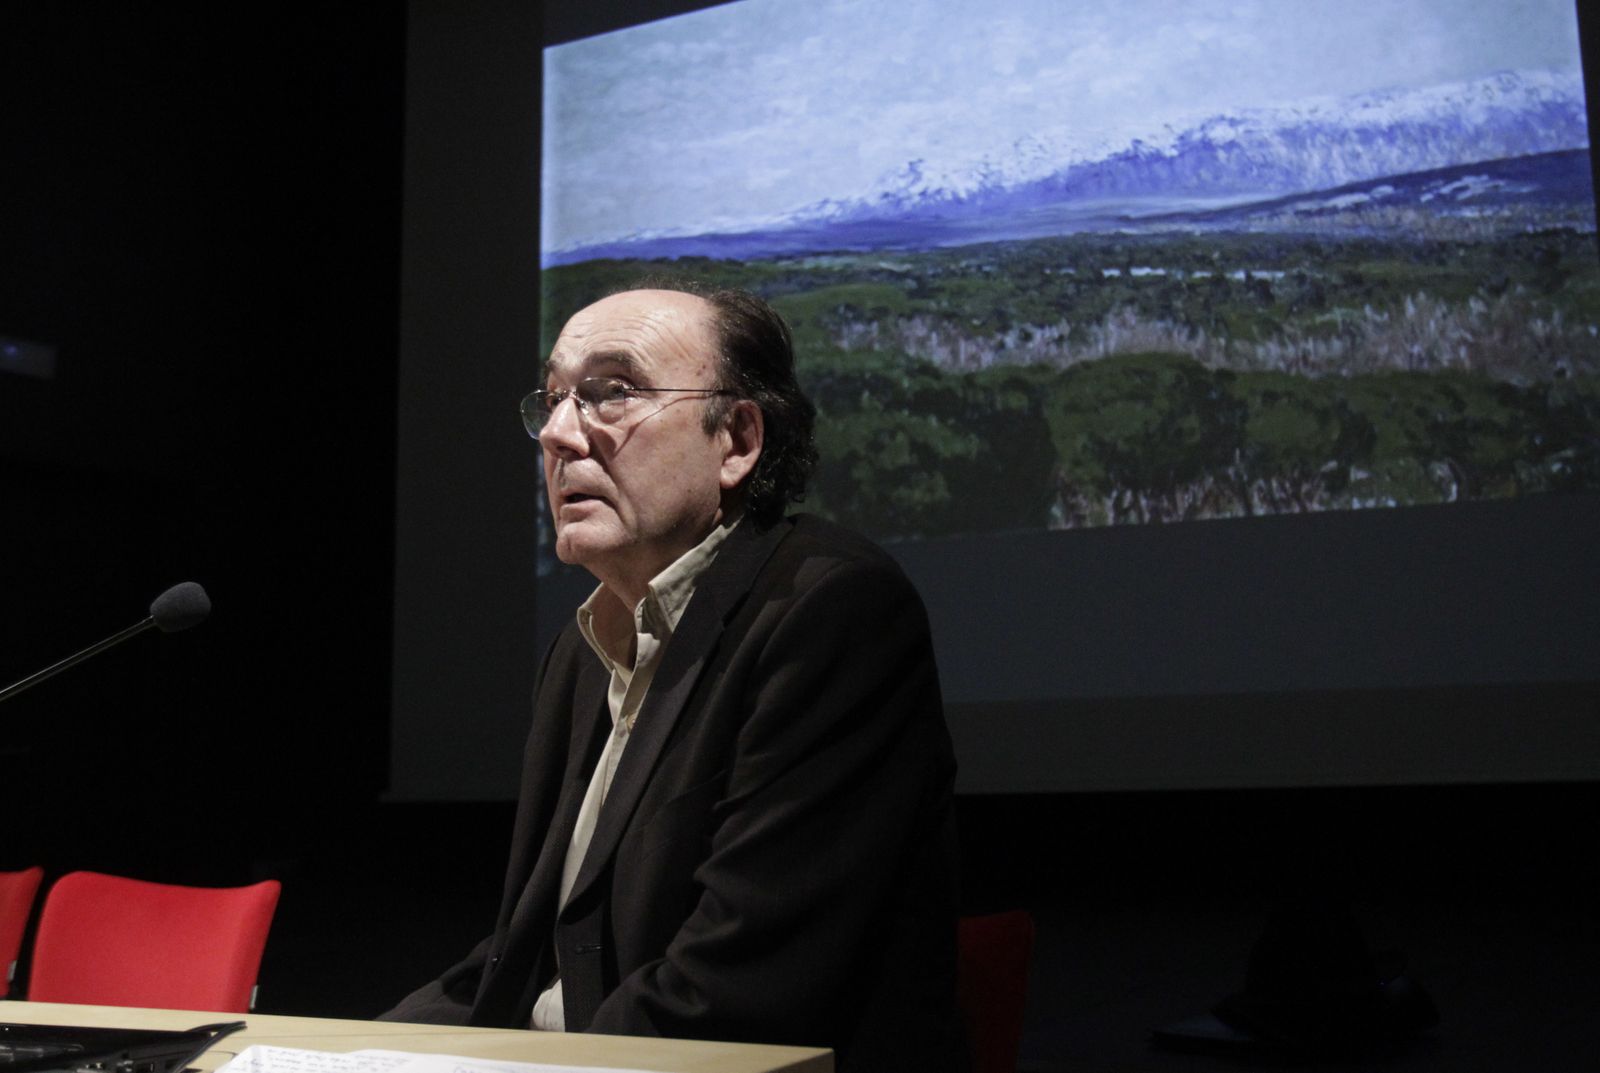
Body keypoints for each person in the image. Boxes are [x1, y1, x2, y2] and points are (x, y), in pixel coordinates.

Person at [381, 282, 966, 1072]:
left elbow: (737, 987)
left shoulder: (830, 612)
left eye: (610, 393)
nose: (558, 433)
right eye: (553, 398)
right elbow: (521, 952)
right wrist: (345, 1049)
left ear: (737, 440)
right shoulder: (583, 646)